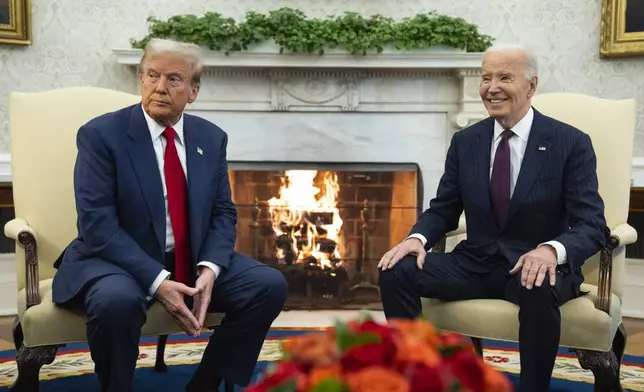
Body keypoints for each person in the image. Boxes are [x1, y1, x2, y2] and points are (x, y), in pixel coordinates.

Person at [51, 38, 288, 392]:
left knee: (268, 285)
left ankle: (206, 384)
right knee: (116, 301)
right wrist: (158, 281)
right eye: (152, 75)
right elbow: (96, 224)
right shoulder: (101, 135)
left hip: (187, 257)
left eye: (174, 79)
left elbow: (223, 211)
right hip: (116, 261)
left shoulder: (210, 137)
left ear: (193, 91)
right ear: (141, 79)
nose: (160, 87)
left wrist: (210, 268)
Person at [377, 44, 609, 392]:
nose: (492, 87)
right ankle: (416, 378)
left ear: (531, 86)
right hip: (476, 262)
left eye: (504, 77)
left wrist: (550, 250)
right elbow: (443, 208)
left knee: (537, 283)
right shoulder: (466, 141)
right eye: (486, 78)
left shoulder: (569, 143)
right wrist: (416, 239)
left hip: (533, 265)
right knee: (396, 270)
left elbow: (592, 224)